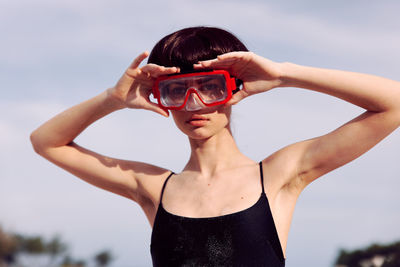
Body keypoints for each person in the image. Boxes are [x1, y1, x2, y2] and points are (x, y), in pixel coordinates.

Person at [30, 26, 400, 266]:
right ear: (159, 97)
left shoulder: (278, 174)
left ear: (234, 88)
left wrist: (283, 74)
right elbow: (46, 142)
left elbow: (393, 103)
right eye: (177, 90)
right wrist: (113, 98)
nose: (194, 103)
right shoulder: (153, 187)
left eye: (210, 86)